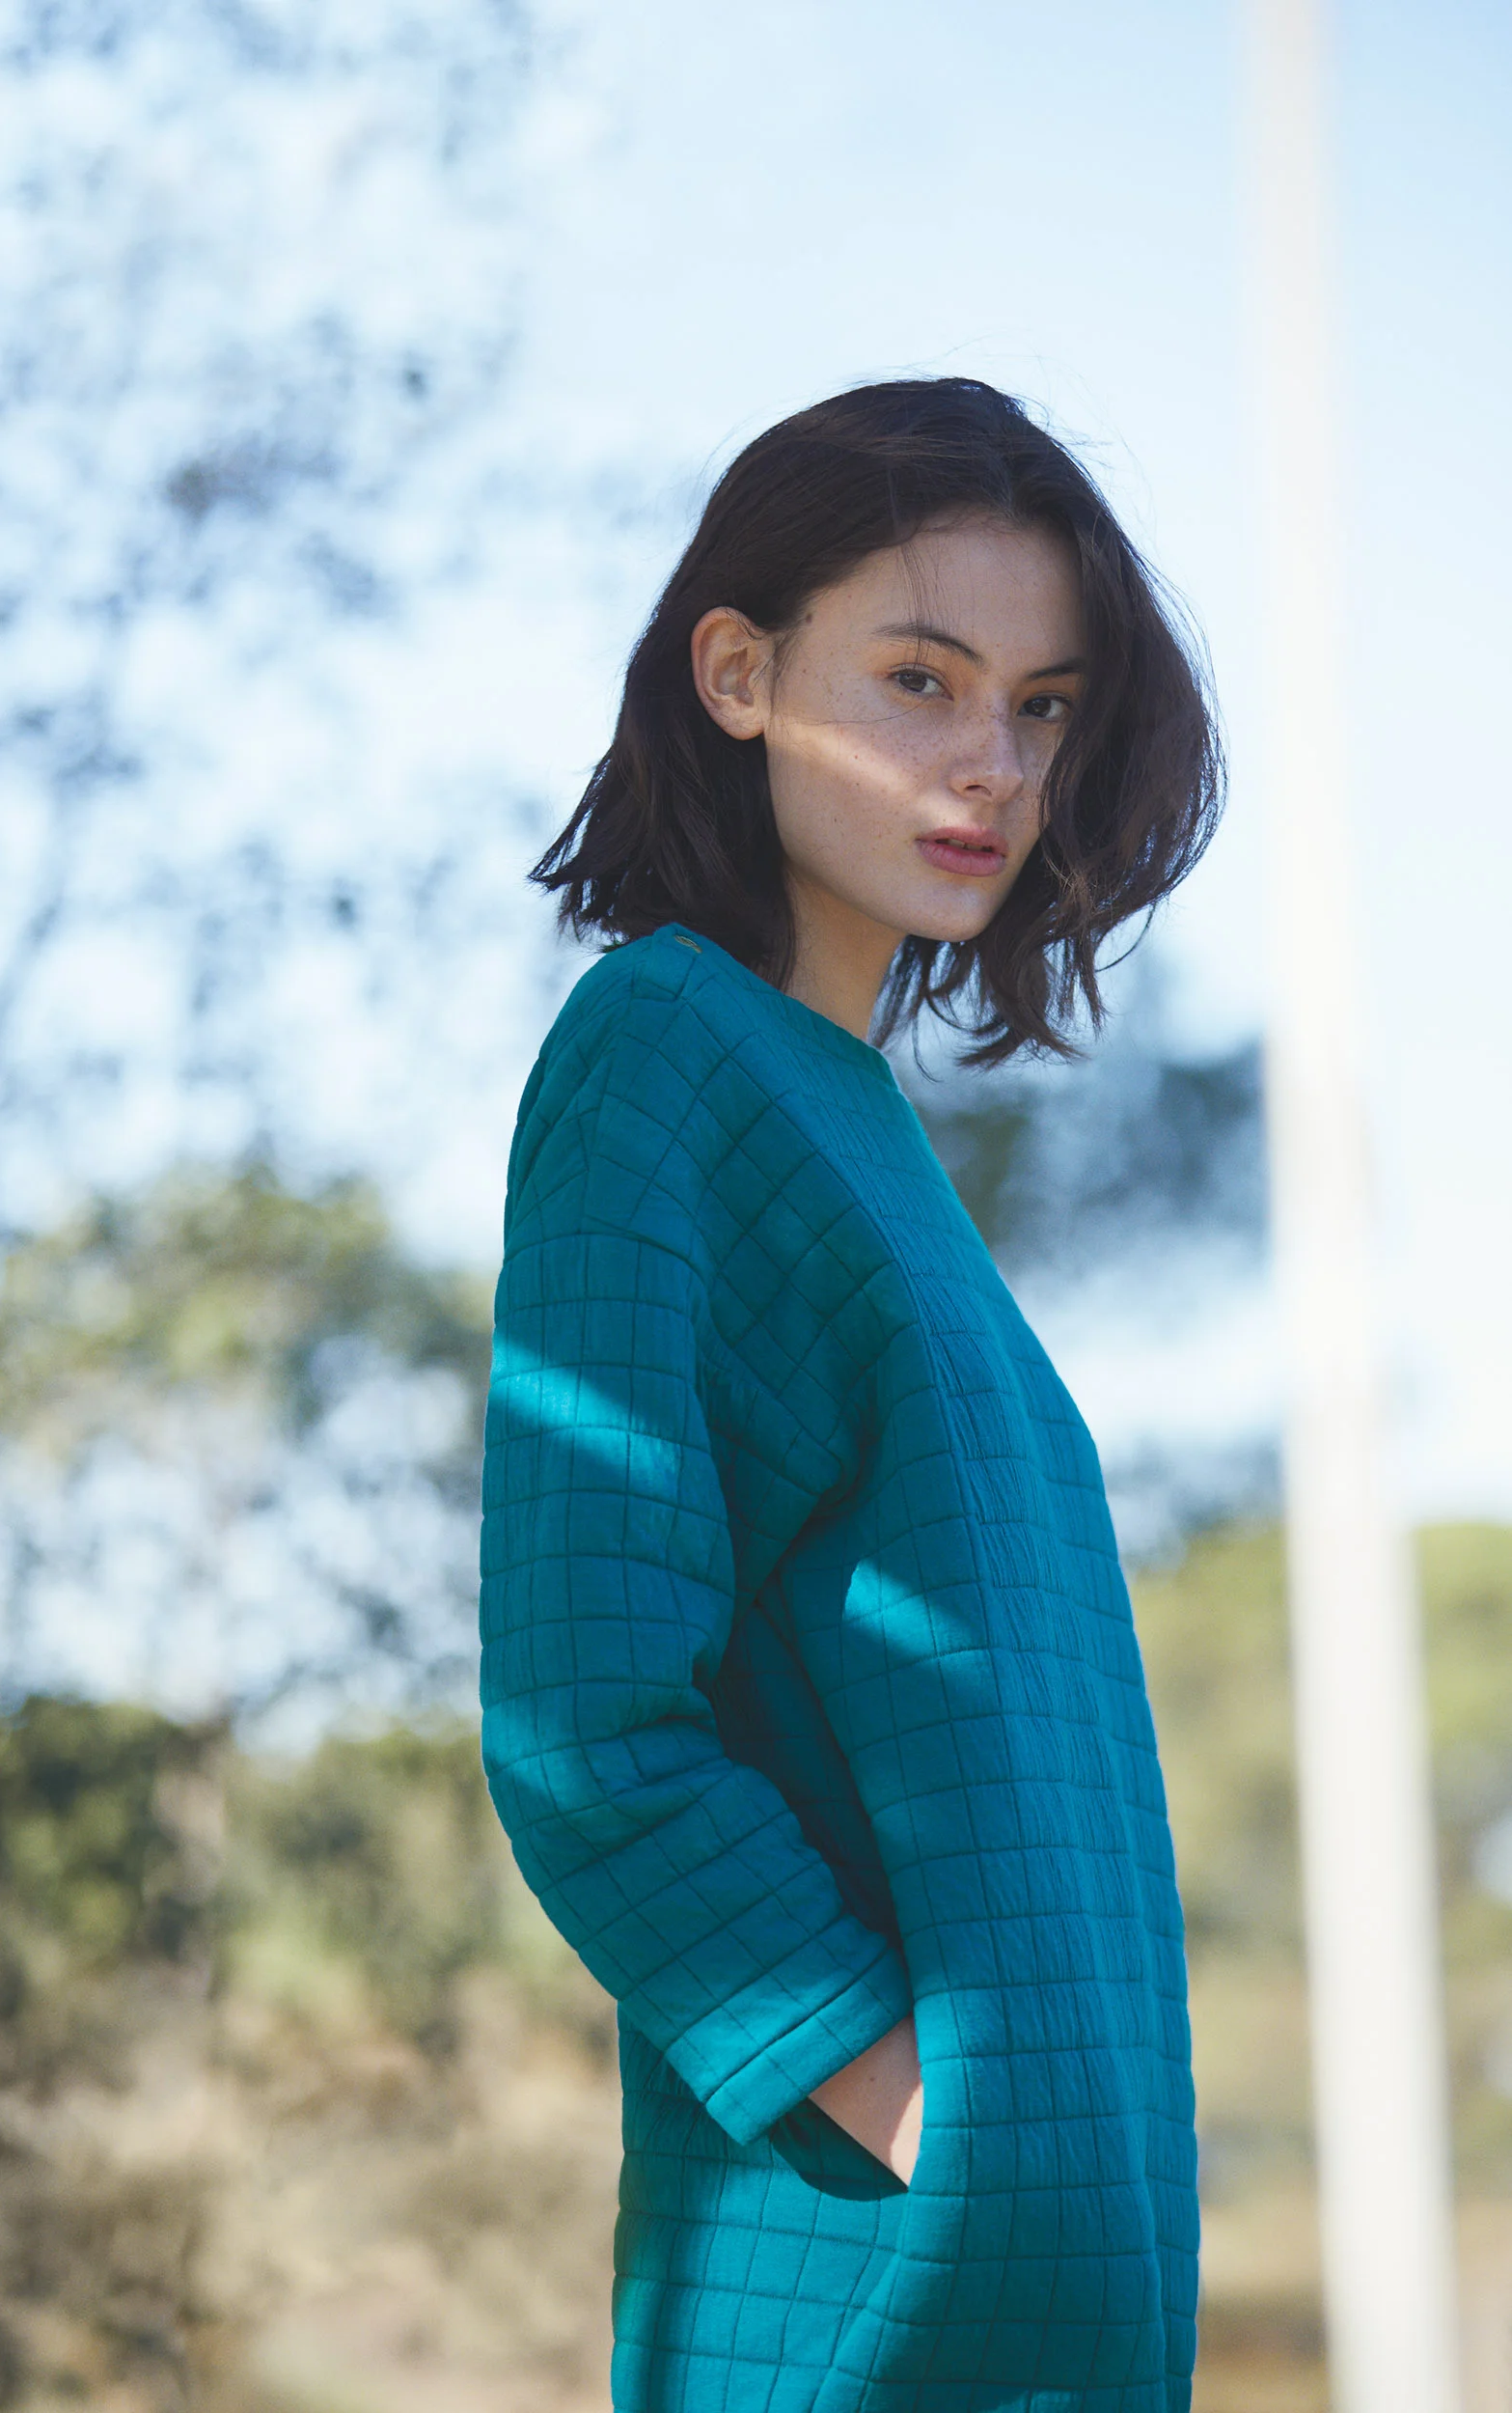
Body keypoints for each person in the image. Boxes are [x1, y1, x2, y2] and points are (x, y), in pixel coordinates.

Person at [480, 378, 1222, 2412]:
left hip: (1045, 2304)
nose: (992, 763)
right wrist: (935, 2130)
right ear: (735, 672)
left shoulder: (857, 1124)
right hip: (858, 2311)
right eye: (918, 678)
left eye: (1041, 707)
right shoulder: (660, 1054)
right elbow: (585, 1729)